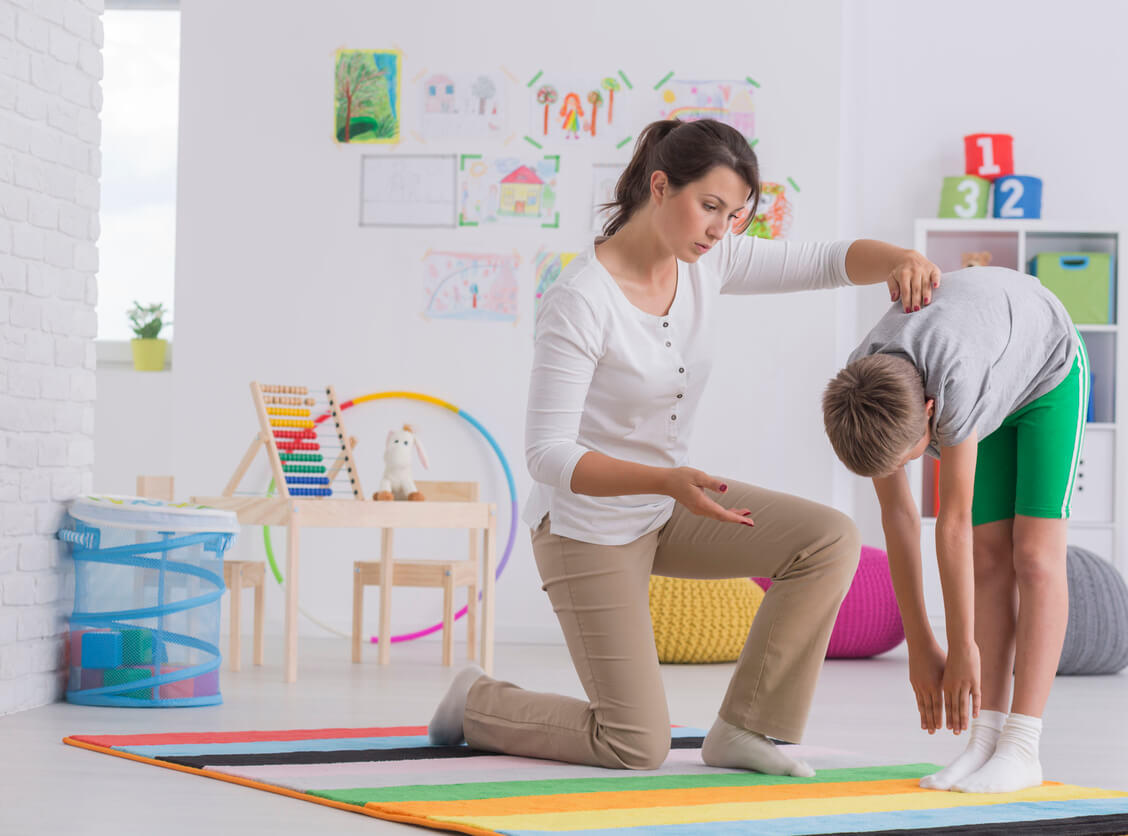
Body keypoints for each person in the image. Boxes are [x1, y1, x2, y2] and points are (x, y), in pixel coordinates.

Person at [427, 117, 942, 777]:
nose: (720, 229)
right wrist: (665, 482)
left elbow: (825, 260)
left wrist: (897, 259)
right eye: (710, 207)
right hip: (586, 530)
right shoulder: (580, 301)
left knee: (829, 540)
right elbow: (547, 455)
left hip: (668, 504)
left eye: (733, 215)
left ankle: (746, 729)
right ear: (661, 186)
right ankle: (477, 702)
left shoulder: (710, 261)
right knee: (634, 744)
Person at [822, 265, 1086, 793]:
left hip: (1046, 369)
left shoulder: (955, 382)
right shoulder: (863, 387)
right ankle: (986, 738)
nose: (903, 469)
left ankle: (1022, 745)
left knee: (1032, 556)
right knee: (989, 559)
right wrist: (921, 643)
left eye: (913, 454)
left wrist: (962, 644)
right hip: (990, 362)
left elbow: (952, 521)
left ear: (930, 412)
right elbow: (898, 518)